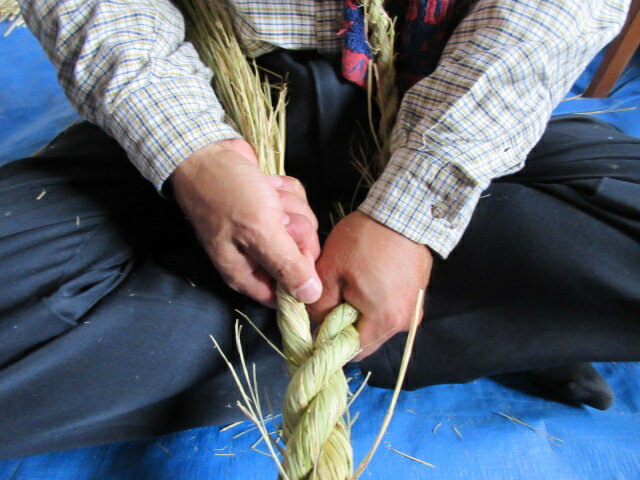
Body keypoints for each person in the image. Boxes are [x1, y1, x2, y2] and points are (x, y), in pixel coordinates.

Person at [0, 0, 637, 460]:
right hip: (222, 99)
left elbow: (557, 12)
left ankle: (280, 322)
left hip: (466, 103)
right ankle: (471, 321)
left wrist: (410, 212)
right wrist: (197, 157)